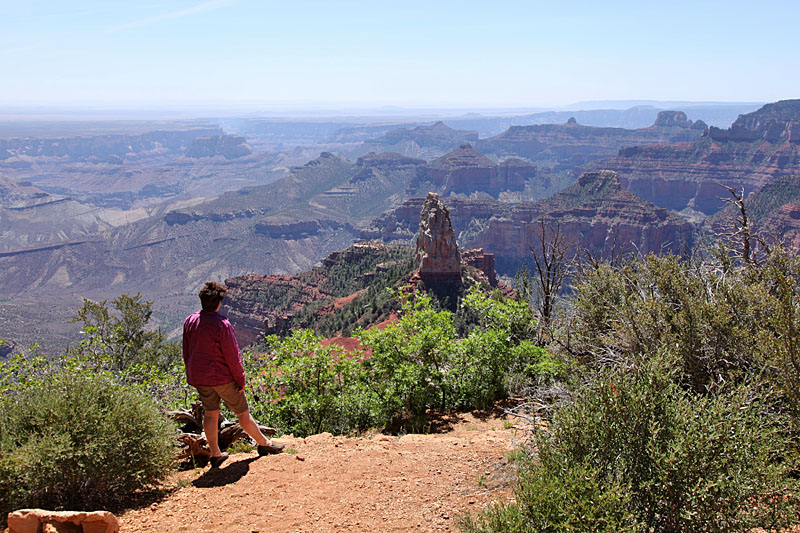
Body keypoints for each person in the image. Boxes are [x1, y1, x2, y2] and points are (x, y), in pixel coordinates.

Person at [183, 281, 284, 468]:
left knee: (211, 415)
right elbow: (232, 357)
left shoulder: (190, 321)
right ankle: (265, 444)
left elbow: (186, 351)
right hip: (222, 378)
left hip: (200, 378)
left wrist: (192, 373)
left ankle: (215, 454)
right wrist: (240, 380)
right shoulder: (222, 324)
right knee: (243, 414)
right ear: (220, 302)